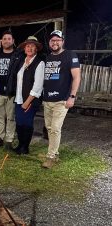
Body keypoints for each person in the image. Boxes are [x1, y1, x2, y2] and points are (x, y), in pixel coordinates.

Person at [42, 30, 81, 168]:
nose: (55, 42)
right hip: (47, 100)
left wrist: (72, 96)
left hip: (62, 100)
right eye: (52, 40)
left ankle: (50, 157)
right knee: (49, 128)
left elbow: (77, 77)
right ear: (49, 43)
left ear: (62, 41)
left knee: (55, 129)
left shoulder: (70, 55)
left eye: (57, 40)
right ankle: (55, 153)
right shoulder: (47, 58)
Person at [0, 30, 22, 150]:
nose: (7, 41)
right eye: (4, 39)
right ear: (1, 41)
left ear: (13, 41)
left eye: (9, 39)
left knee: (11, 117)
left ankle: (9, 139)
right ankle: (0, 137)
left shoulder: (18, 56)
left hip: (11, 92)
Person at [14, 36, 45, 155]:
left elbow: (38, 86)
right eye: (28, 46)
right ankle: (20, 145)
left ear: (36, 49)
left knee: (26, 123)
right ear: (24, 48)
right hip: (19, 98)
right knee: (19, 122)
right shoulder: (22, 61)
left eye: (33, 46)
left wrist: (27, 101)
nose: (30, 48)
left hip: (30, 99)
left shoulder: (39, 63)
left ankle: (25, 147)